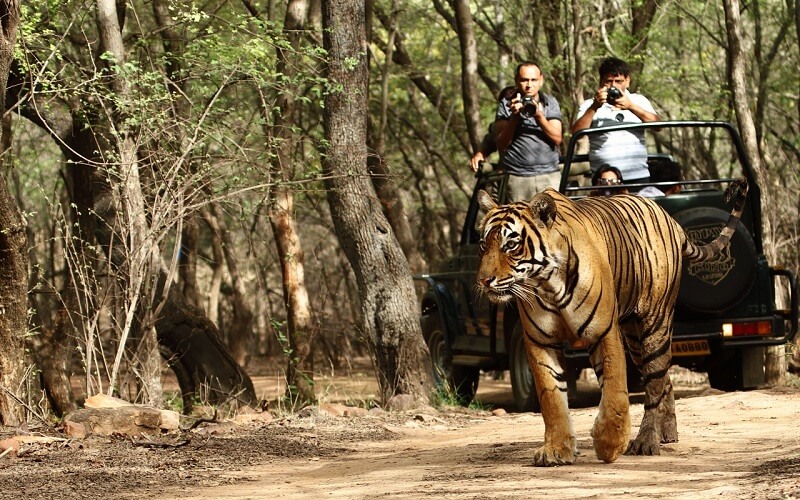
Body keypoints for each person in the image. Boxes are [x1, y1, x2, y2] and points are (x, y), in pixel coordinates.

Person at [571, 57, 660, 187]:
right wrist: (594, 107)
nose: (613, 86)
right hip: (604, 180)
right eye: (608, 81)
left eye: (618, 81)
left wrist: (631, 107)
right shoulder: (589, 105)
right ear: (601, 82)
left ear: (627, 81)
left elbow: (658, 126)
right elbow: (576, 133)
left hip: (637, 176)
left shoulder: (638, 100)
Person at [494, 62, 563, 201]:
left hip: (549, 175)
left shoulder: (550, 102)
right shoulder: (506, 104)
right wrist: (514, 117)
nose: (529, 85)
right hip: (518, 178)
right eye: (524, 80)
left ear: (541, 80)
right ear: (516, 81)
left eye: (533, 80)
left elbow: (557, 138)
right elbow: (501, 143)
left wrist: (538, 115)